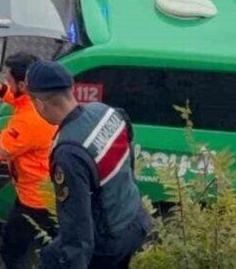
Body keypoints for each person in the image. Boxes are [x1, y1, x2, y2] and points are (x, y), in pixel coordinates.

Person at [26, 61, 151, 268]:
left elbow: (76, 229)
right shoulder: (106, 112)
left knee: (51, 259)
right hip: (135, 221)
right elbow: (127, 165)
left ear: (40, 104)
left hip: (108, 239)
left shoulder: (68, 152)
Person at [0, 53, 58, 269]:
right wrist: (0, 90)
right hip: (47, 190)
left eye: (8, 80)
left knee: (12, 251)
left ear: (23, 85)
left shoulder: (28, 123)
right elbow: (23, 102)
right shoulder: (45, 97)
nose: (5, 82)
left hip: (34, 201)